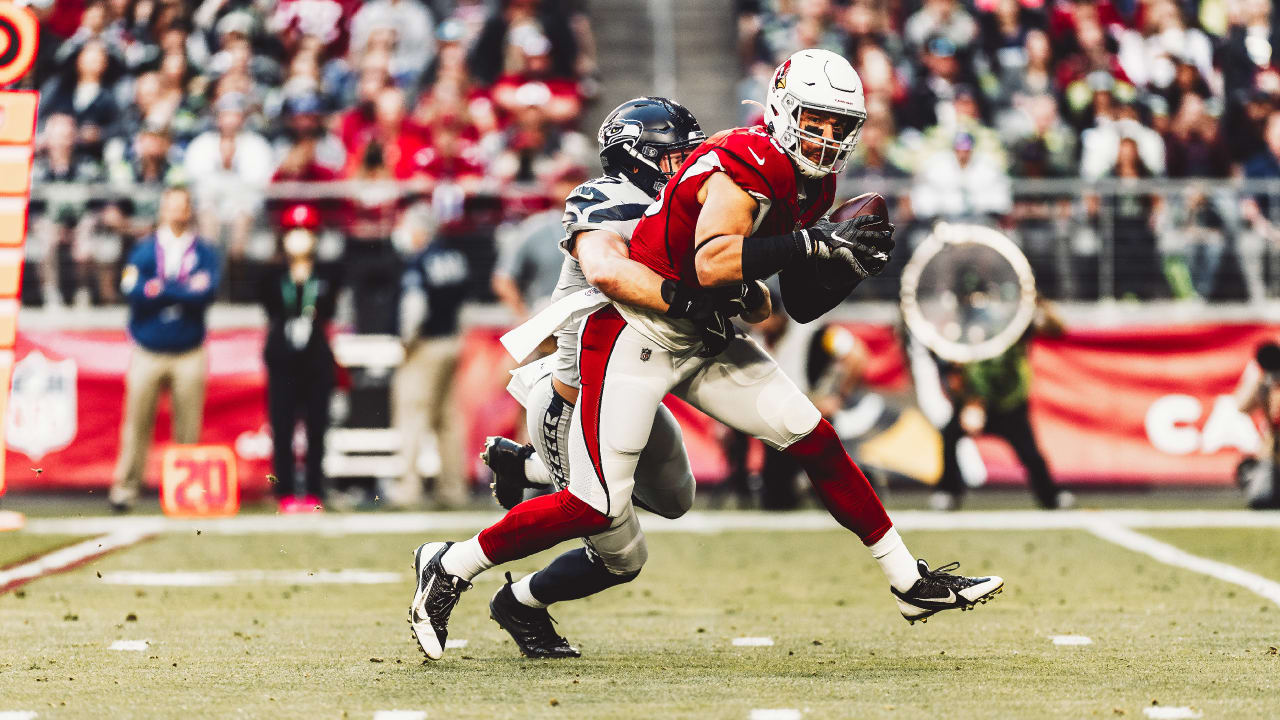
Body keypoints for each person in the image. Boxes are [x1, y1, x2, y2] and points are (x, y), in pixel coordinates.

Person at [408, 50, 1003, 662]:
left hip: (701, 331)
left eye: (836, 126)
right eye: (813, 121)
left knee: (810, 436)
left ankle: (909, 580)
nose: (824, 140)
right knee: (596, 507)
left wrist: (838, 264)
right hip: (632, 334)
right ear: (781, 110)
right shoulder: (740, 162)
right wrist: (804, 244)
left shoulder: (814, 180)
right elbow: (708, 262)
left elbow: (784, 305)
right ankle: (451, 564)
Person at [476, 97, 713, 657]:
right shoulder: (605, 200)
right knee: (622, 554)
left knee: (677, 498)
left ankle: (525, 466)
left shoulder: (675, 209)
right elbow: (613, 272)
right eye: (675, 156)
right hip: (576, 402)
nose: (688, 167)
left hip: (632, 391)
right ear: (636, 157)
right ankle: (517, 602)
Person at [109, 186, 220, 513]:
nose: (176, 213)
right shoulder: (144, 250)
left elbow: (206, 292)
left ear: (189, 211)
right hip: (148, 348)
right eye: (170, 206)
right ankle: (125, 489)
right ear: (162, 209)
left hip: (189, 350)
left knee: (188, 427)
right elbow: (132, 289)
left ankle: (186, 491)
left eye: (181, 207)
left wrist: (160, 289)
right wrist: (182, 290)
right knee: (136, 423)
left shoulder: (205, 252)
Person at [932, 296, 1073, 511]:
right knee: (949, 436)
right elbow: (953, 373)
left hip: (1010, 403)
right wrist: (972, 403)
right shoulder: (962, 327)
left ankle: (1050, 496)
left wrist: (1038, 300)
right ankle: (948, 492)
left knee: (1031, 454)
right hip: (975, 403)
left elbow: (1057, 329)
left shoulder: (1016, 322)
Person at [260, 205, 339, 514]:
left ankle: (316, 489)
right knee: (282, 425)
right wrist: (292, 280)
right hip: (282, 359)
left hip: (316, 359)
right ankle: (284, 490)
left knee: (317, 424)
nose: (300, 238)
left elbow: (329, 309)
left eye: (306, 232)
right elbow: (270, 306)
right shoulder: (272, 273)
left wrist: (309, 285)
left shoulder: (326, 272)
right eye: (295, 231)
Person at [392, 221, 471, 509]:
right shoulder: (454, 258)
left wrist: (405, 341)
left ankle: (407, 489)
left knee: (412, 416)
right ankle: (453, 489)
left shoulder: (419, 261)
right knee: (448, 420)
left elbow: (415, 306)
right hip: (451, 340)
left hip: (426, 345)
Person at [1235, 341, 1280, 509]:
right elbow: (1242, 406)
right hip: (1272, 456)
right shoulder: (1265, 382)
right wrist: (1260, 378)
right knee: (1261, 498)